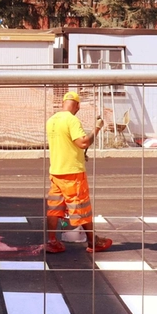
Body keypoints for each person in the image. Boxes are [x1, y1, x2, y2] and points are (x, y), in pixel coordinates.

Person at [44, 91, 111, 254]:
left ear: (63, 103)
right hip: (72, 172)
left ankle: (52, 241)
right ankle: (92, 242)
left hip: (56, 171)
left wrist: (81, 154)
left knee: (54, 208)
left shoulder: (52, 120)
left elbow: (66, 144)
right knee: (82, 207)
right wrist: (97, 128)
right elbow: (83, 142)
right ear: (77, 105)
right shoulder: (72, 120)